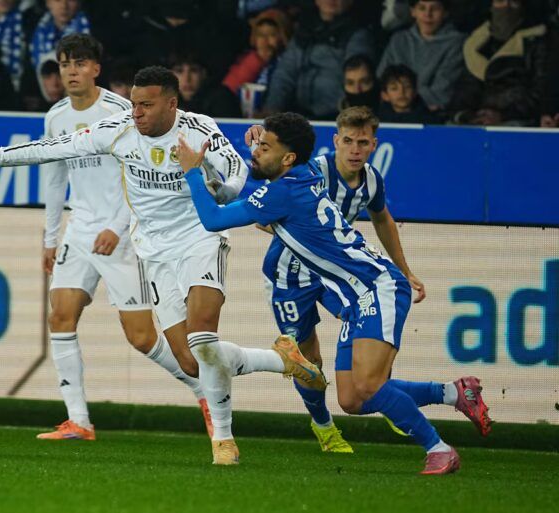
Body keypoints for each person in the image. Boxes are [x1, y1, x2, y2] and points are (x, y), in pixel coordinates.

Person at [0, 65, 327, 466]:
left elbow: (238, 175)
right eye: (134, 103)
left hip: (199, 239)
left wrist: (214, 186)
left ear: (172, 104)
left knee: (203, 340)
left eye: (147, 105)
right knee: (190, 360)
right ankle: (283, 360)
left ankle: (223, 441)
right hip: (153, 253)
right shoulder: (117, 129)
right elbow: (46, 149)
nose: (136, 112)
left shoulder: (200, 129)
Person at [180, 112, 492, 475]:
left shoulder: (284, 191)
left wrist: (192, 169)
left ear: (287, 159)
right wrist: (261, 141)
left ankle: (438, 448)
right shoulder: (307, 171)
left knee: (370, 385)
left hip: (378, 287)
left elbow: (213, 220)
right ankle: (454, 393)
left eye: (265, 147)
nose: (256, 152)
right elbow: (284, 157)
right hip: (356, 297)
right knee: (351, 399)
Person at [33, 34, 211, 441]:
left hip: (122, 234)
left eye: (79, 63)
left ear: (96, 69)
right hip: (79, 232)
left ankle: (205, 391)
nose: (71, 71)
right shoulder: (55, 117)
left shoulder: (120, 113)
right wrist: (50, 238)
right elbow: (54, 177)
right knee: (59, 315)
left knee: (142, 337)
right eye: (64, 64)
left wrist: (117, 225)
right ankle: (78, 420)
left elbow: (141, 176)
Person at [245, 106, 425, 452]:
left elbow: (383, 219)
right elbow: (262, 214)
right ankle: (324, 426)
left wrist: (404, 269)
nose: (355, 150)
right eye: (348, 141)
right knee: (309, 360)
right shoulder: (312, 171)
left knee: (369, 324)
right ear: (335, 142)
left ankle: (380, 394)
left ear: (373, 144)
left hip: (338, 277)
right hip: (290, 275)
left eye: (362, 142)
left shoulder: (372, 180)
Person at [262, 0, 375, 120]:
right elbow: (284, 74)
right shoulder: (304, 31)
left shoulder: (358, 35)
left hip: (338, 119)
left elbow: (357, 73)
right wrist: (272, 109)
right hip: (298, 116)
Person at [448, 0, 547, 126]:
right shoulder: (475, 43)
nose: (506, 7)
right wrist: (465, 114)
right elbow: (465, 88)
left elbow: (539, 92)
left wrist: (503, 115)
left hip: (516, 118)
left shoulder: (536, 42)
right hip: (477, 116)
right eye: (500, 1)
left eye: (513, 2)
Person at [378, 0, 465, 112]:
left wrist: (401, 97)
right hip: (394, 111)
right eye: (422, 8)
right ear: (413, 11)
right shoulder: (399, 39)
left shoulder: (456, 42)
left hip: (432, 114)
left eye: (435, 9)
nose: (428, 14)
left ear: (445, 13)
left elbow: (442, 92)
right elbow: (382, 79)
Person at [170, 52, 241, 119]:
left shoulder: (222, 99)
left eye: (194, 70)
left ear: (204, 74)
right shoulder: (166, 98)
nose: (187, 78)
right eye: (179, 71)